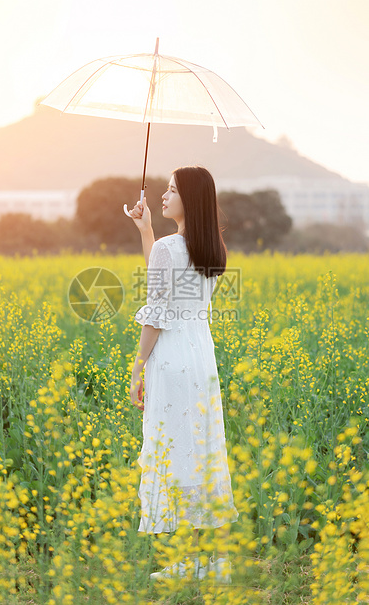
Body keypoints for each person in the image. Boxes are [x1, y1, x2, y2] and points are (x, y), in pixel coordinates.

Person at [128, 166, 238, 581]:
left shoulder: (169, 249)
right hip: (201, 359)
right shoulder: (212, 249)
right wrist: (146, 231)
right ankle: (212, 560)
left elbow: (157, 312)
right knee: (202, 451)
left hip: (171, 358)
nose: (162, 196)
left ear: (188, 199)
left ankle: (193, 564)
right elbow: (169, 286)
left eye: (171, 190)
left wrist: (137, 369)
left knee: (177, 453)